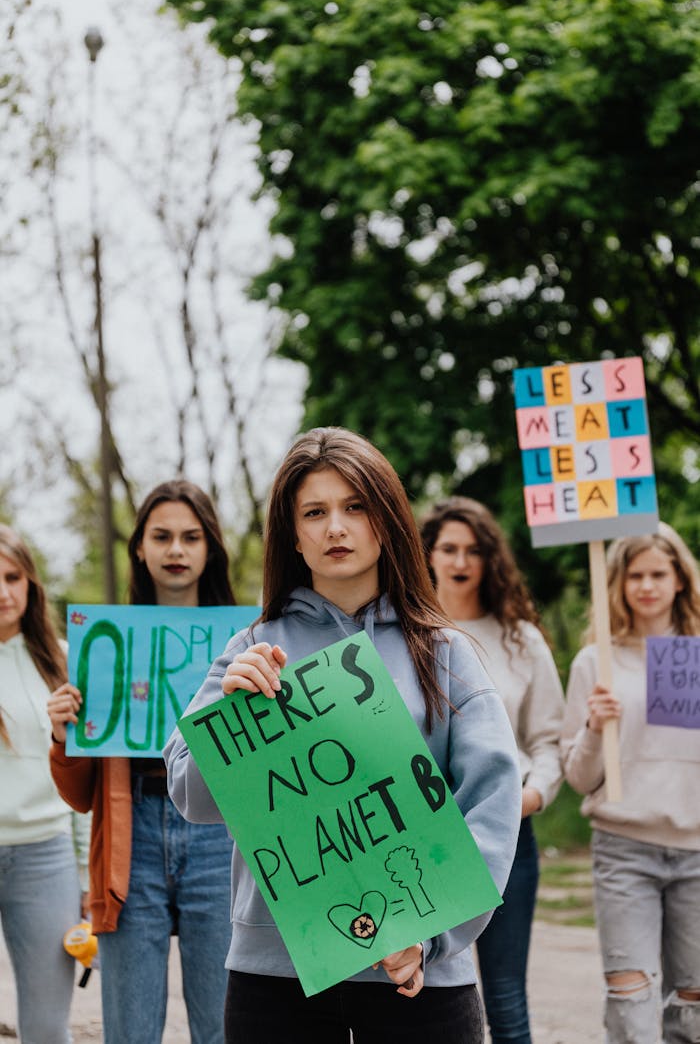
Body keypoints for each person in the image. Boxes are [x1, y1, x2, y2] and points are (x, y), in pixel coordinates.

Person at [164, 427, 522, 1044]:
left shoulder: (447, 654)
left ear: (385, 521)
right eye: (315, 512)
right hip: (275, 978)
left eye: (355, 506)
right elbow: (191, 797)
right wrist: (232, 715)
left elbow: (491, 804)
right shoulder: (249, 649)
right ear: (293, 535)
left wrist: (434, 935)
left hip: (420, 978)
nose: (336, 527)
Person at [47, 480, 236, 1044]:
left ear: (210, 549)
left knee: (223, 1027)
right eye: (162, 537)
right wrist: (63, 735)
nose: (176, 550)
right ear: (139, 548)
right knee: (129, 1032)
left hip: (220, 831)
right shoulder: (103, 646)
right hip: (132, 840)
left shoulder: (247, 638)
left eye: (190, 537)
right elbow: (82, 794)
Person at [420, 497, 564, 1044]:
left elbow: (548, 740)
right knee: (427, 997)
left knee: (504, 998)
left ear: (490, 560)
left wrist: (532, 795)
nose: (461, 560)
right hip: (423, 839)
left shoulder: (519, 638)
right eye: (449, 548)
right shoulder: (406, 633)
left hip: (507, 834)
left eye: (474, 550)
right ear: (427, 555)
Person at [561, 522, 700, 1044]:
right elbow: (579, 778)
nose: (646, 585)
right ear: (617, 582)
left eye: (658, 574)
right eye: (635, 575)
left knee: (692, 1005)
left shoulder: (696, 657)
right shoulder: (596, 663)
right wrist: (596, 728)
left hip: (695, 850)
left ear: (679, 579)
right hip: (624, 851)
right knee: (631, 1002)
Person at [0, 524, 90, 1044]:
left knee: (46, 1023)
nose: (3, 592)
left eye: (13, 577)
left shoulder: (62, 658)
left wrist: (82, 873)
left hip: (46, 857)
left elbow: (81, 775)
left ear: (32, 583)